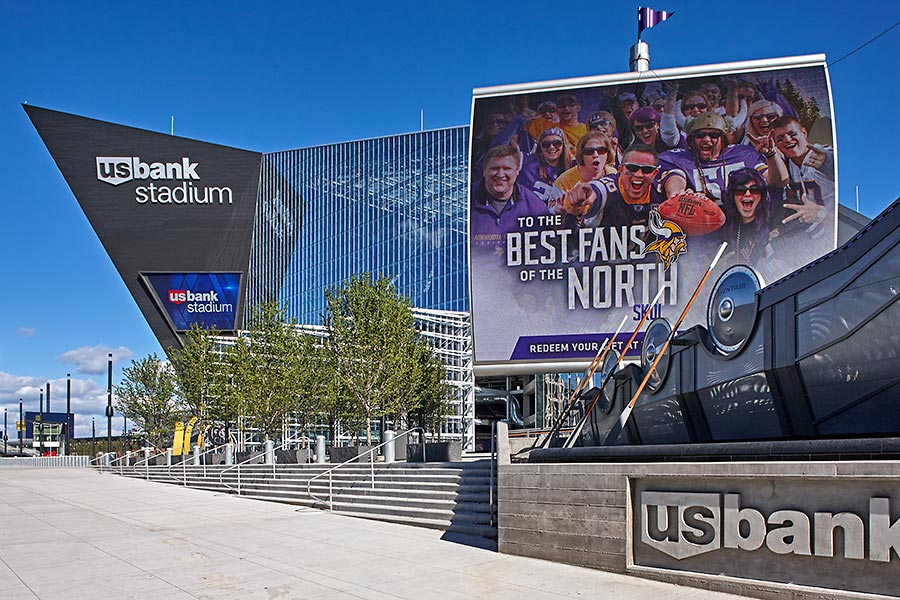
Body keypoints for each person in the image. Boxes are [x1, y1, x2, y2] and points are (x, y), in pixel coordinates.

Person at [658, 111, 787, 202]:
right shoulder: (679, 158)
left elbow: (778, 182)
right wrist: (677, 194)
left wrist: (771, 155)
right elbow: (675, 180)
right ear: (691, 140)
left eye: (714, 135)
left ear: (724, 139)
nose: (707, 140)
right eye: (700, 135)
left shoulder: (744, 154)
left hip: (741, 224)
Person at [562, 144, 665, 230]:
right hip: (597, 252)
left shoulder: (660, 191)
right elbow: (597, 189)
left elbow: (675, 177)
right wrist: (582, 198)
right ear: (620, 169)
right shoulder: (607, 188)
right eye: (632, 168)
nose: (638, 174)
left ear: (655, 173)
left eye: (647, 170)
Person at [470, 144, 549, 246]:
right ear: (484, 170)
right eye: (494, 168)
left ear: (517, 171)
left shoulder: (535, 205)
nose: (500, 174)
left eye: (507, 169)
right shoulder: (465, 200)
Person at [770, 115, 834, 230]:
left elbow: (845, 169)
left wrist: (828, 162)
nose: (787, 140)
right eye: (780, 138)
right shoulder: (787, 166)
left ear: (804, 133)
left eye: (793, 134)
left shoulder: (822, 155)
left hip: (839, 231)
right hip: (811, 238)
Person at [518, 127, 572, 207]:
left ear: (564, 145)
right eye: (546, 144)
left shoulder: (573, 166)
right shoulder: (526, 161)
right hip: (527, 215)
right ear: (540, 147)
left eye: (556, 143)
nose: (551, 147)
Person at [552, 131, 617, 193]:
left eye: (601, 150)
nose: (595, 155)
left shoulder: (614, 174)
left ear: (608, 153)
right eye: (589, 151)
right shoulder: (563, 183)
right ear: (581, 155)